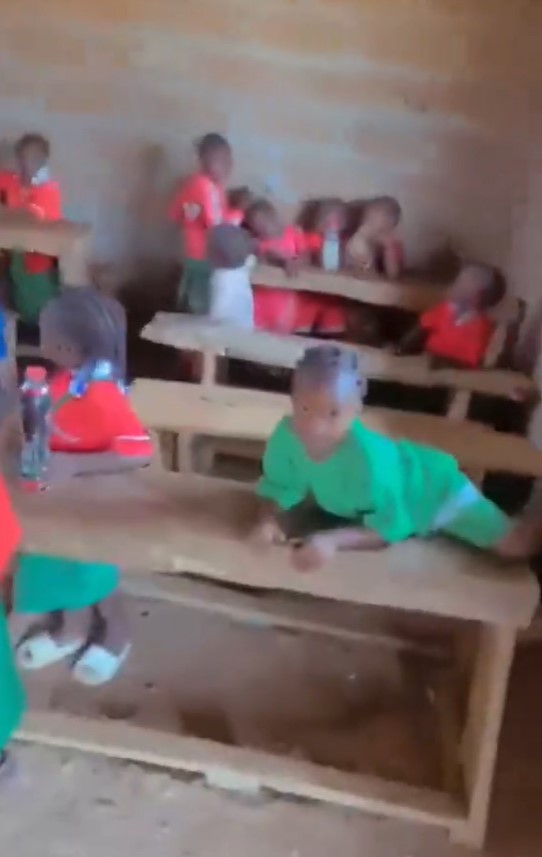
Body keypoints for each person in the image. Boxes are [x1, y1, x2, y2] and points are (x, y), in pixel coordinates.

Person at [250, 344, 537, 571]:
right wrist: (267, 521)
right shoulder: (286, 437)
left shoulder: (369, 460)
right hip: (379, 506)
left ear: (355, 409)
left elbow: (389, 528)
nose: (315, 426)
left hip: (433, 491)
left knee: (516, 545)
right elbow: (278, 487)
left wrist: (333, 541)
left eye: (333, 413)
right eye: (304, 409)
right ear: (292, 399)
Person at [14, 288, 153, 684]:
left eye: (45, 334)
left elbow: (139, 451)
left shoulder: (101, 393)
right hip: (60, 492)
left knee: (93, 573)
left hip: (94, 498)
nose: (41, 340)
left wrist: (75, 464)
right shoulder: (66, 379)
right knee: (56, 562)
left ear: (66, 346)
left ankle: (116, 635)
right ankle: (71, 630)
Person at [245, 199, 346, 337]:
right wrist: (284, 261)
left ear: (274, 217)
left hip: (287, 294)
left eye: (265, 223)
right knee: (259, 330)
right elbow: (269, 254)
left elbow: (305, 254)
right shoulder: (261, 244)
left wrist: (298, 261)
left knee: (284, 329)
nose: (264, 230)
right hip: (266, 294)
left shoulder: (293, 233)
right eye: (257, 228)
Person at [0, 133, 62, 326]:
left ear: (44, 161)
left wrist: (6, 211)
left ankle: (38, 330)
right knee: (16, 295)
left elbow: (30, 218)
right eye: (22, 158)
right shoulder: (13, 181)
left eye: (34, 159)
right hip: (15, 256)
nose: (27, 164)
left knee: (38, 306)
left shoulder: (48, 189)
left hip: (38, 261)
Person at [168, 133, 233, 314]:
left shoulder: (195, 184)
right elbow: (217, 226)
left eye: (228, 160)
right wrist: (239, 216)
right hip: (204, 257)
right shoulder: (206, 186)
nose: (227, 165)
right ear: (203, 161)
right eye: (220, 160)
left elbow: (174, 214)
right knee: (201, 309)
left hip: (192, 254)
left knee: (191, 301)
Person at [398, 263, 506, 368]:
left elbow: (475, 360)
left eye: (462, 282)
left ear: (477, 296)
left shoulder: (483, 327)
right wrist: (402, 350)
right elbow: (418, 332)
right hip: (425, 362)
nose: (455, 285)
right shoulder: (443, 310)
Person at [207, 224, 256, 328]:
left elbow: (220, 306)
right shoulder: (243, 268)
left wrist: (213, 322)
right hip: (246, 326)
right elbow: (251, 258)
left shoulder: (223, 278)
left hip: (228, 329)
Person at [346, 196, 404, 279]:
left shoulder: (391, 241)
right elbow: (356, 257)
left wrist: (389, 248)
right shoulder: (360, 238)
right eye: (368, 219)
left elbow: (393, 274)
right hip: (360, 273)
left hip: (380, 276)